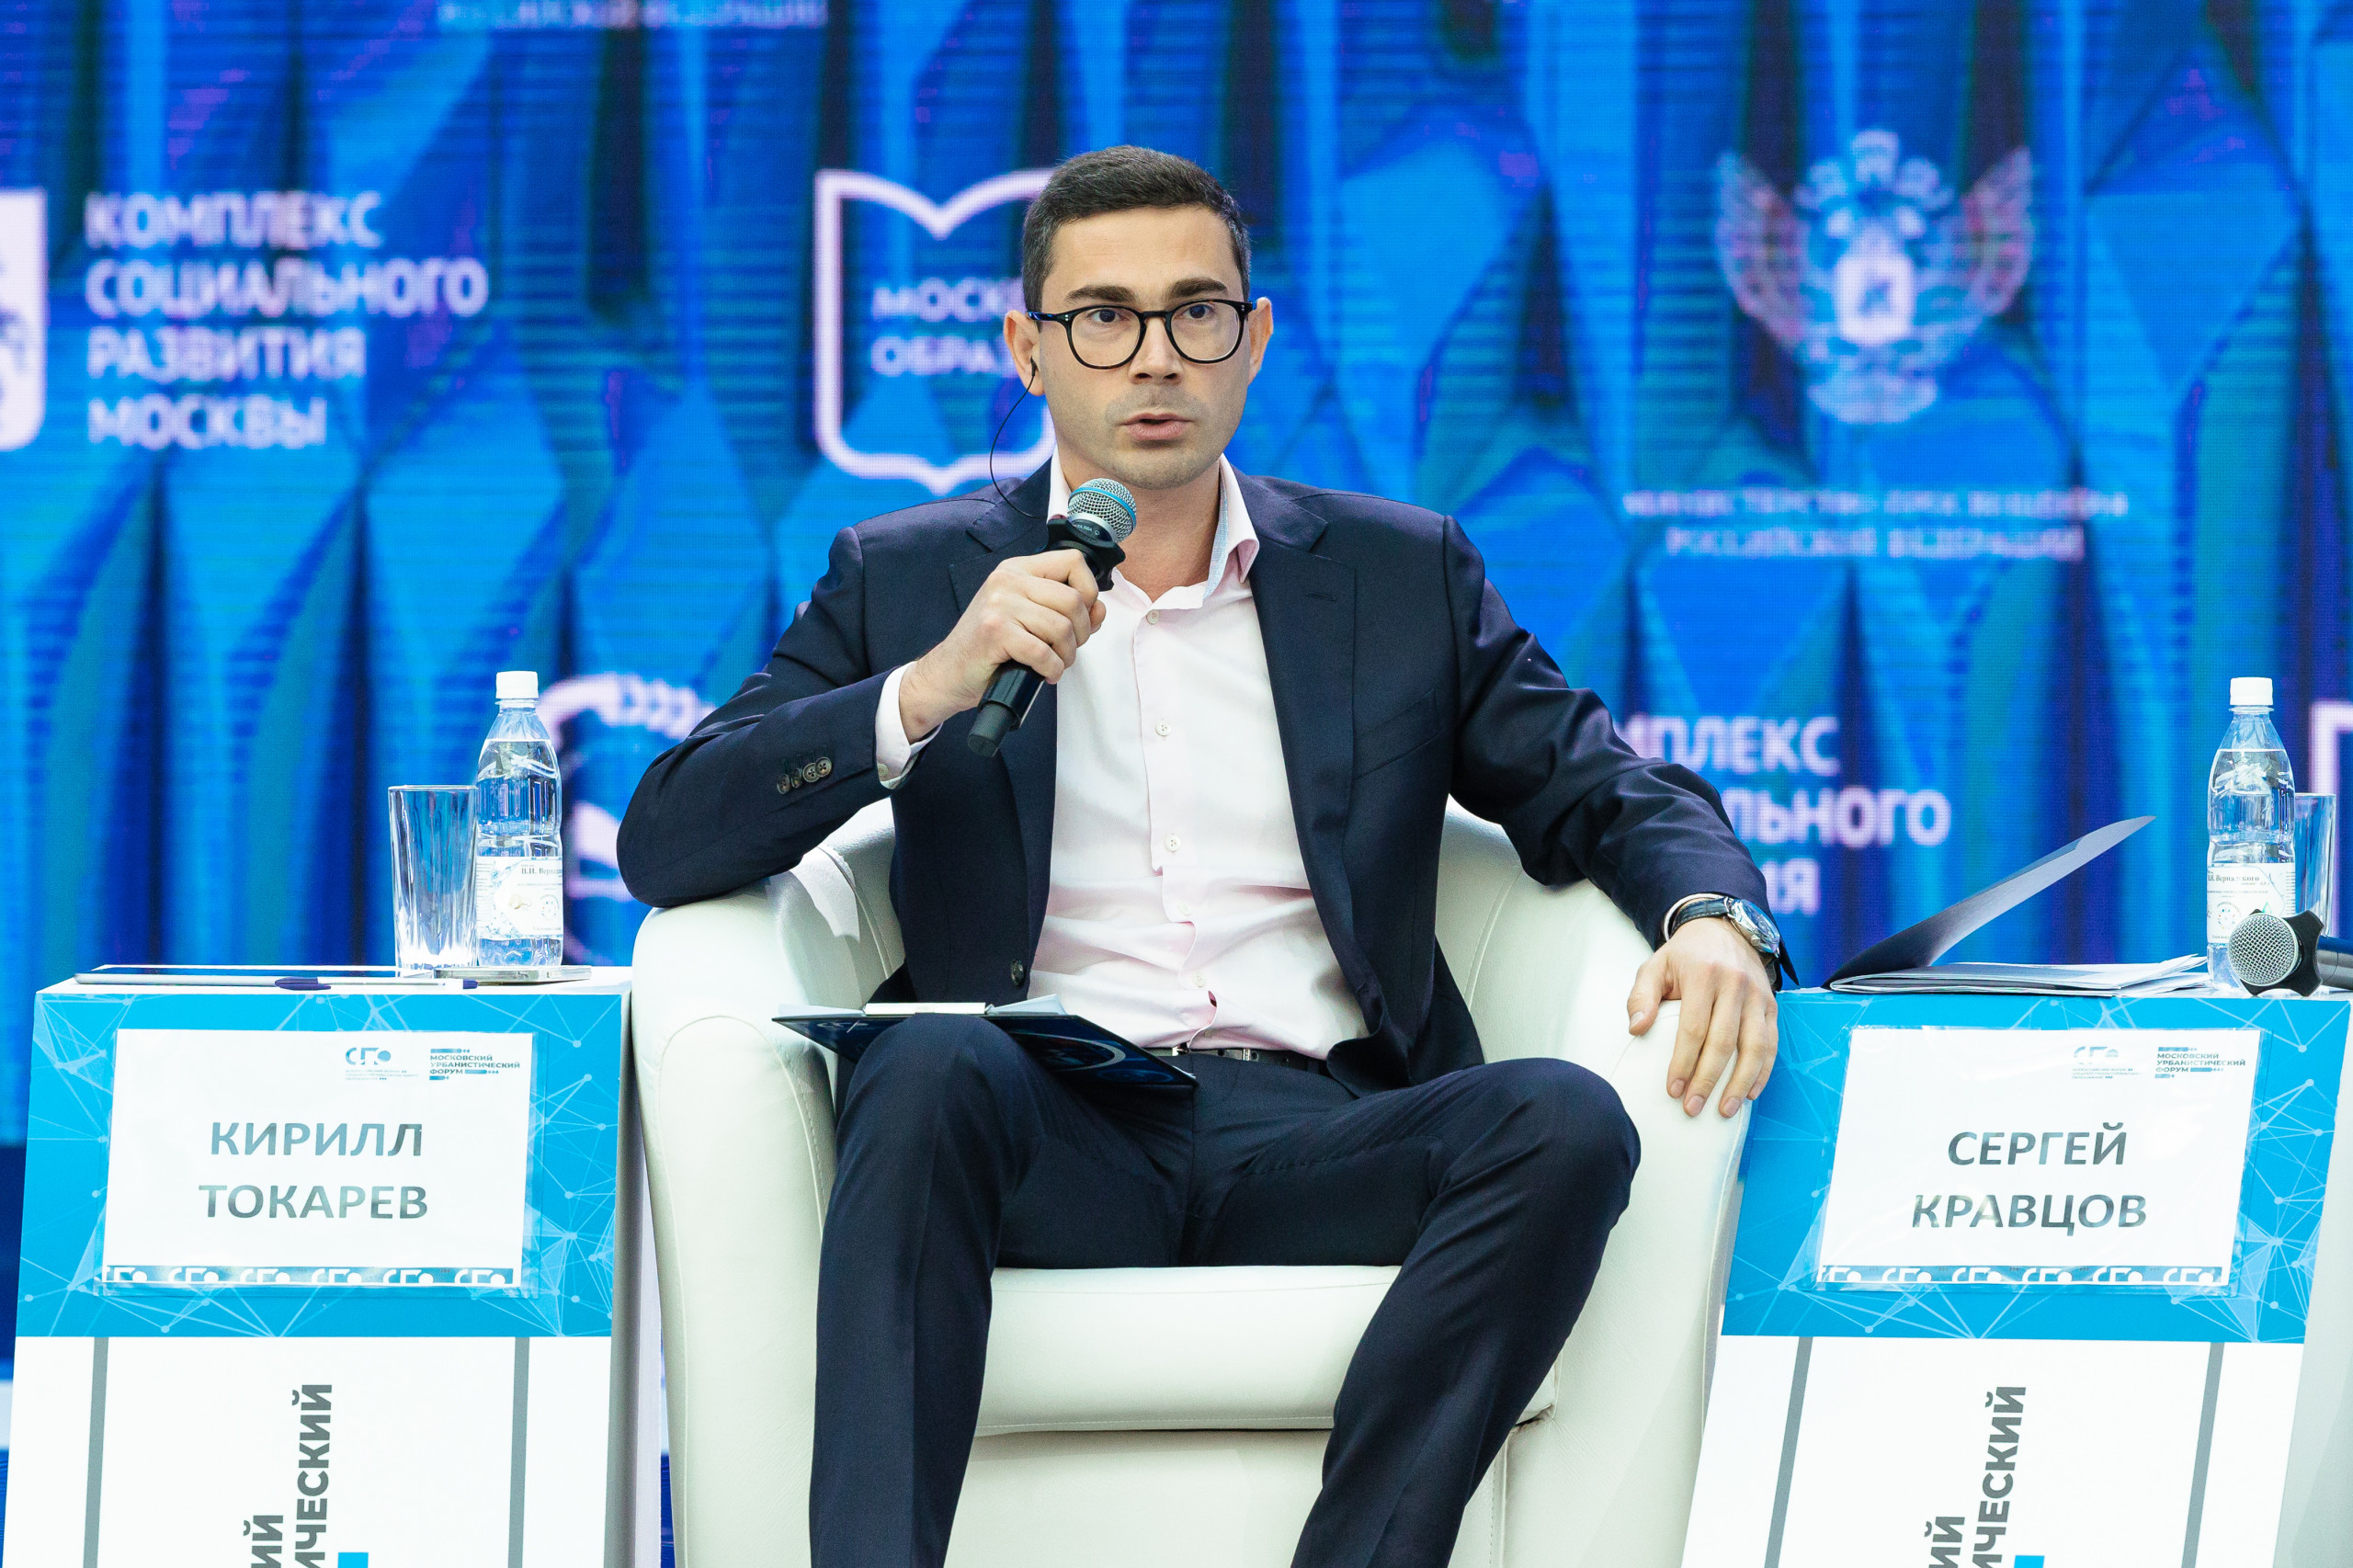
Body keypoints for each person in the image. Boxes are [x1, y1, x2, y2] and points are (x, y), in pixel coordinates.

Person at [617, 144, 1788, 1568]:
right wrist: (924, 688)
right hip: (1048, 1122)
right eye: (1104, 318)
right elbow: (668, 832)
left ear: (1255, 337)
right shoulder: (911, 573)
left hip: (1323, 1124)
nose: (1154, 356)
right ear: (1029, 350)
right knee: (920, 1063)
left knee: (1563, 1120)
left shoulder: (1397, 572)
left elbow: (1602, 783)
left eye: (1196, 312)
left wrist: (1710, 910)